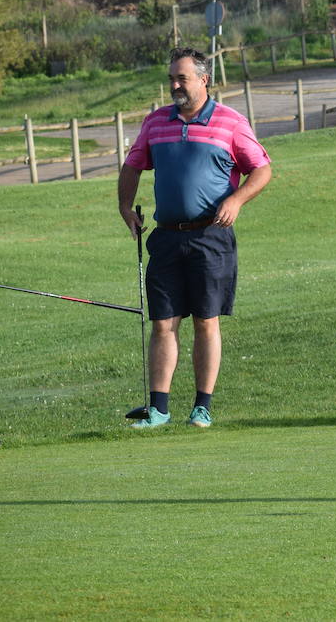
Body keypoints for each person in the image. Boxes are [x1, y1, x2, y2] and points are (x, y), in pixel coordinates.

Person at [117, 47, 272, 429]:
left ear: (204, 80)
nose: (174, 85)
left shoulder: (231, 122)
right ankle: (158, 409)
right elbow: (133, 164)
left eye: (181, 78)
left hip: (211, 237)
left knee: (206, 321)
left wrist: (237, 200)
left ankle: (201, 407)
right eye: (171, 77)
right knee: (163, 323)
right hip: (167, 238)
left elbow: (262, 170)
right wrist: (124, 207)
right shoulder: (155, 123)